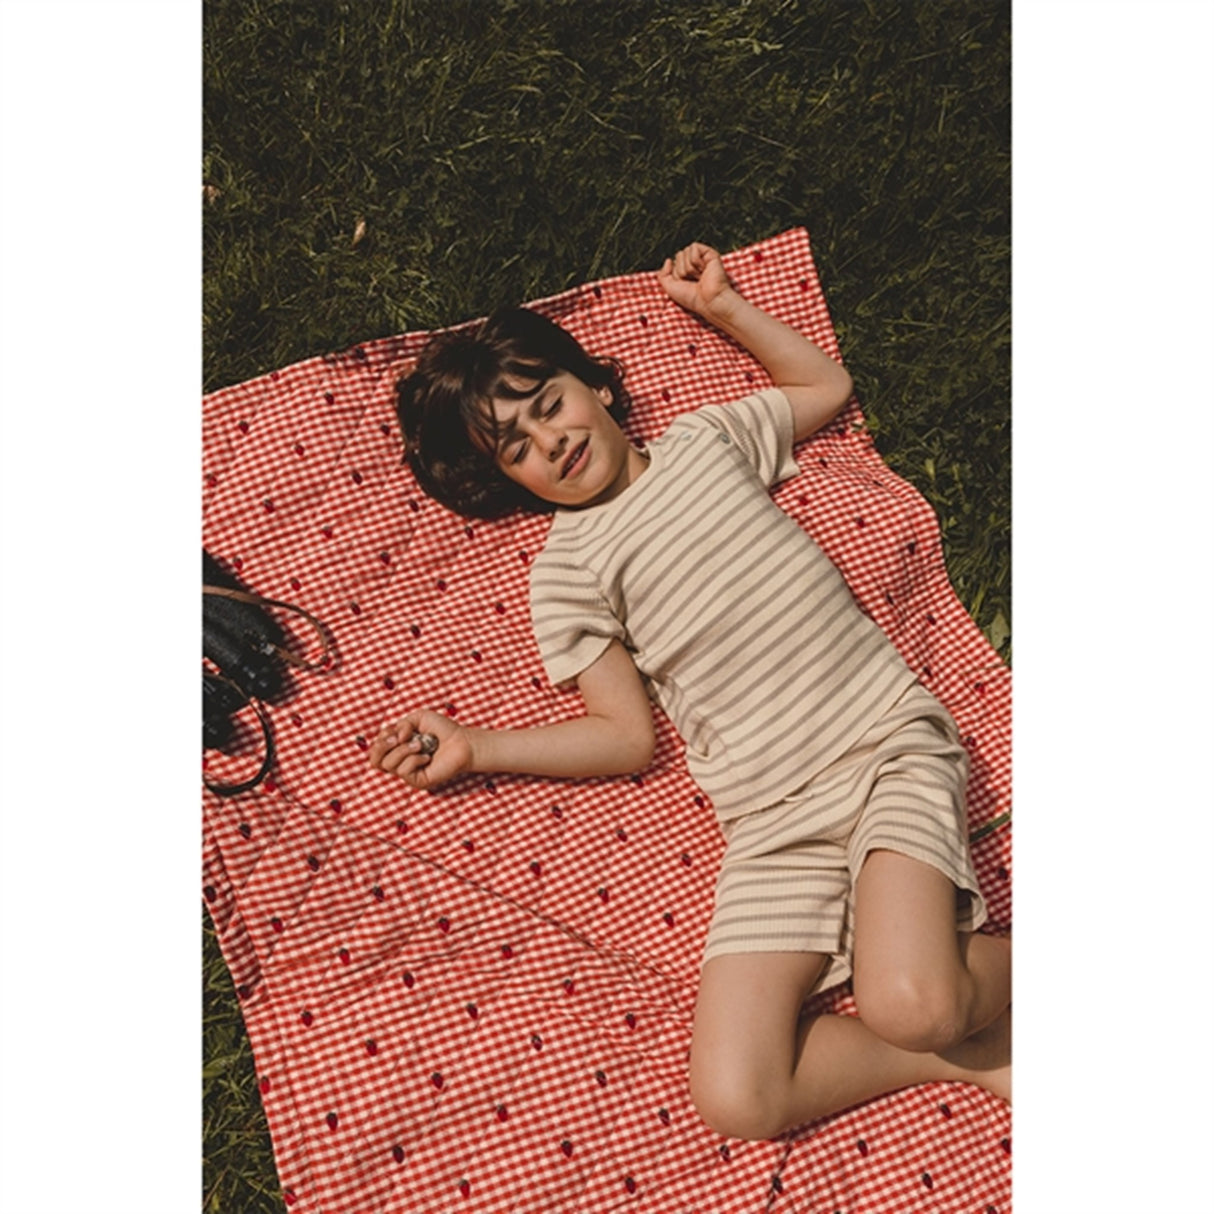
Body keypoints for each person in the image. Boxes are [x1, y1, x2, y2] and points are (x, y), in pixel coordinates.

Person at [370, 243, 1011, 1140]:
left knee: (912, 1001)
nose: (551, 441)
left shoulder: (705, 441)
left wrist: (723, 309)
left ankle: (951, 1007)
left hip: (877, 747)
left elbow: (824, 388)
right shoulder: (565, 571)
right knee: (739, 1095)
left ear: (598, 386)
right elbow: (624, 735)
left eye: (550, 405)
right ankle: (969, 1052)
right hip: (771, 824)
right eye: (517, 448)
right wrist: (480, 747)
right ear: (506, 479)